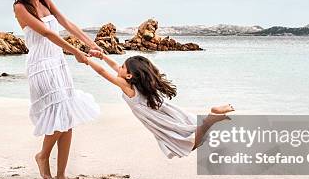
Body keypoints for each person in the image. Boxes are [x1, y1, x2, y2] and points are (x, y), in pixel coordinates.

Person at [12, 0, 100, 179]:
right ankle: (43, 155)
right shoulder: (21, 7)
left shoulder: (44, 1)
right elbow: (47, 33)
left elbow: (66, 24)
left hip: (58, 63)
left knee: (68, 117)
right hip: (41, 66)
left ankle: (61, 174)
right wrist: (77, 52)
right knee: (60, 114)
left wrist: (91, 45)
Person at [86, 51, 234, 158]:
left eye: (123, 67)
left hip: (157, 120)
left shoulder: (127, 86)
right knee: (190, 137)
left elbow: (102, 72)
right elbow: (114, 67)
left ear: (130, 75)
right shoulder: (138, 84)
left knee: (188, 144)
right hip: (163, 112)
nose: (119, 68)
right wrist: (102, 56)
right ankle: (210, 119)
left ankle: (210, 119)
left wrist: (87, 60)